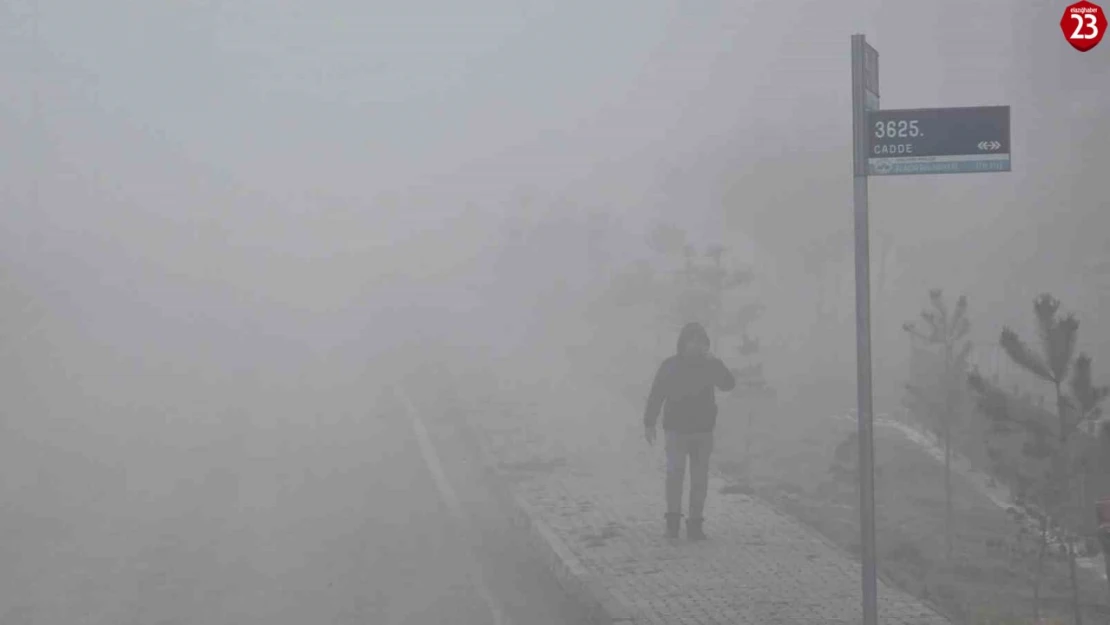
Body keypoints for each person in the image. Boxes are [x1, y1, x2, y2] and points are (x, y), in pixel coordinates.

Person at [643, 322, 736, 540]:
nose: (697, 345)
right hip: (676, 431)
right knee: (675, 476)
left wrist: (717, 363)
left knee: (700, 479)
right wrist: (649, 422)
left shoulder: (710, 365)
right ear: (683, 343)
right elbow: (657, 394)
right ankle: (672, 523)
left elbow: (728, 384)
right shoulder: (670, 365)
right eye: (693, 341)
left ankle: (696, 524)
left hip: (703, 431)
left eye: (702, 341)